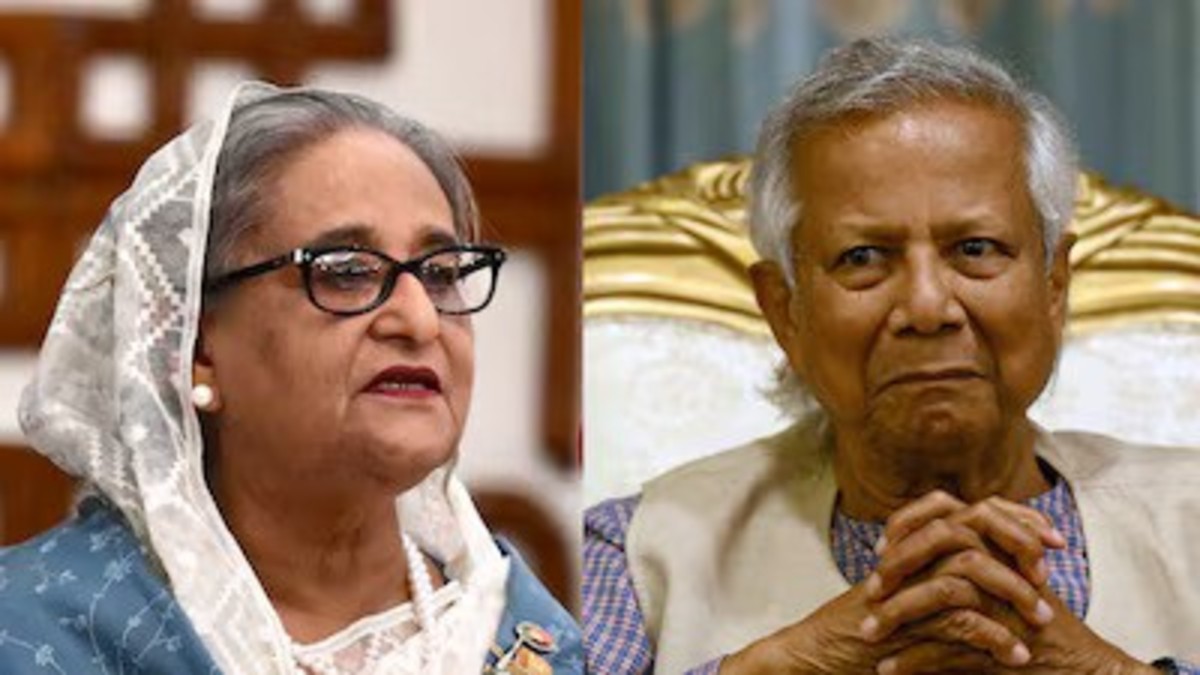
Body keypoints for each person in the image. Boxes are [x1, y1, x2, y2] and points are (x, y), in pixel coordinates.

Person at [583, 38, 1200, 674]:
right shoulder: (638, 555)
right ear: (784, 311)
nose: (929, 307)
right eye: (863, 258)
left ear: (1053, 286)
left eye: (977, 248)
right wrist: (788, 664)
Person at [0, 82, 582, 674]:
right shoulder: (33, 635)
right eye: (346, 271)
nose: (419, 319)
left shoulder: (532, 642)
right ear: (195, 348)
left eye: (439, 273)